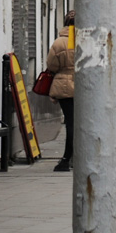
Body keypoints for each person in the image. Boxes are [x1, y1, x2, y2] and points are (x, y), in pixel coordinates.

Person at [46, 11, 76, 172]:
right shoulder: (86, 41)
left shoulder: (59, 43)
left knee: (70, 122)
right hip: (85, 86)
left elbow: (52, 66)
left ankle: (66, 158)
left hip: (64, 86)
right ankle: (78, 156)